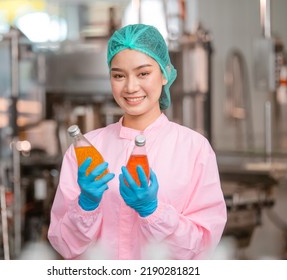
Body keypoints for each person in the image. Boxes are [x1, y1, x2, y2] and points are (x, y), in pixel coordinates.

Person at [48, 23, 227, 260]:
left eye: (143, 73)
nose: (131, 87)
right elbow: (65, 246)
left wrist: (153, 212)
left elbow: (203, 248)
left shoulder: (194, 149)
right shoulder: (86, 150)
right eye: (119, 75)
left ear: (164, 74)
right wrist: (86, 205)